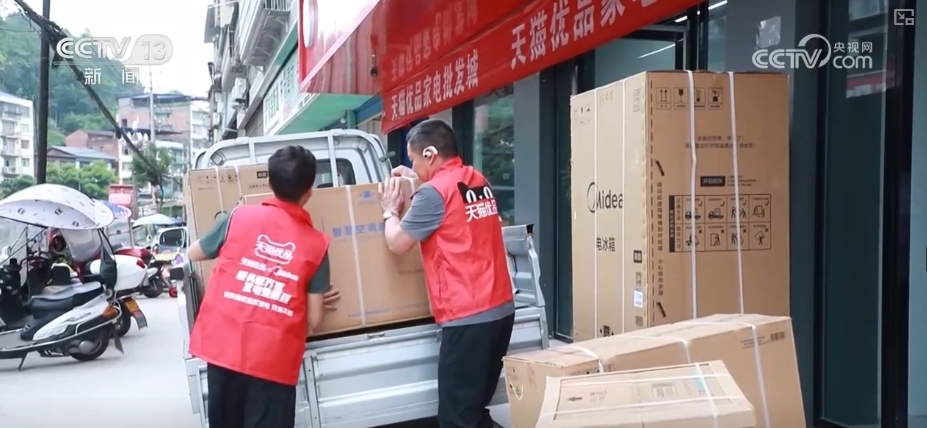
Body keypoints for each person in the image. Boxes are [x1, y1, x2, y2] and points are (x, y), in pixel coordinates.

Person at [186, 145, 341, 428]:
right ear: (310, 191)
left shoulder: (238, 217)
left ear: (269, 183)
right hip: (274, 358)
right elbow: (314, 320)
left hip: (224, 347)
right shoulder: (316, 245)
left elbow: (194, 253)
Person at [379, 119, 515, 428]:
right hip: (500, 308)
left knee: (457, 418)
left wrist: (389, 210)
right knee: (473, 408)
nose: (412, 166)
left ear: (429, 154)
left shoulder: (432, 194)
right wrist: (417, 177)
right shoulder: (478, 180)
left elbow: (397, 243)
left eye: (413, 159)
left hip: (467, 315)